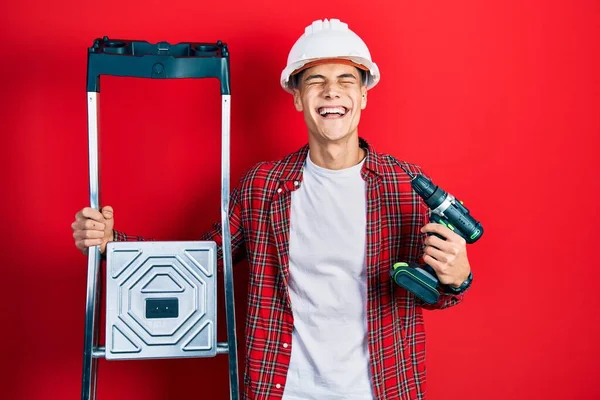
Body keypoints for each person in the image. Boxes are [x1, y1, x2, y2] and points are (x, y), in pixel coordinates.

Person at [71, 18, 473, 400]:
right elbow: (203, 264)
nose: (332, 92)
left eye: (345, 81)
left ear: (363, 94)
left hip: (382, 387)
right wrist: (112, 244)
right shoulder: (263, 186)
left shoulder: (407, 185)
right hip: (282, 388)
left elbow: (430, 291)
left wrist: (458, 278)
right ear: (297, 97)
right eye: (317, 82)